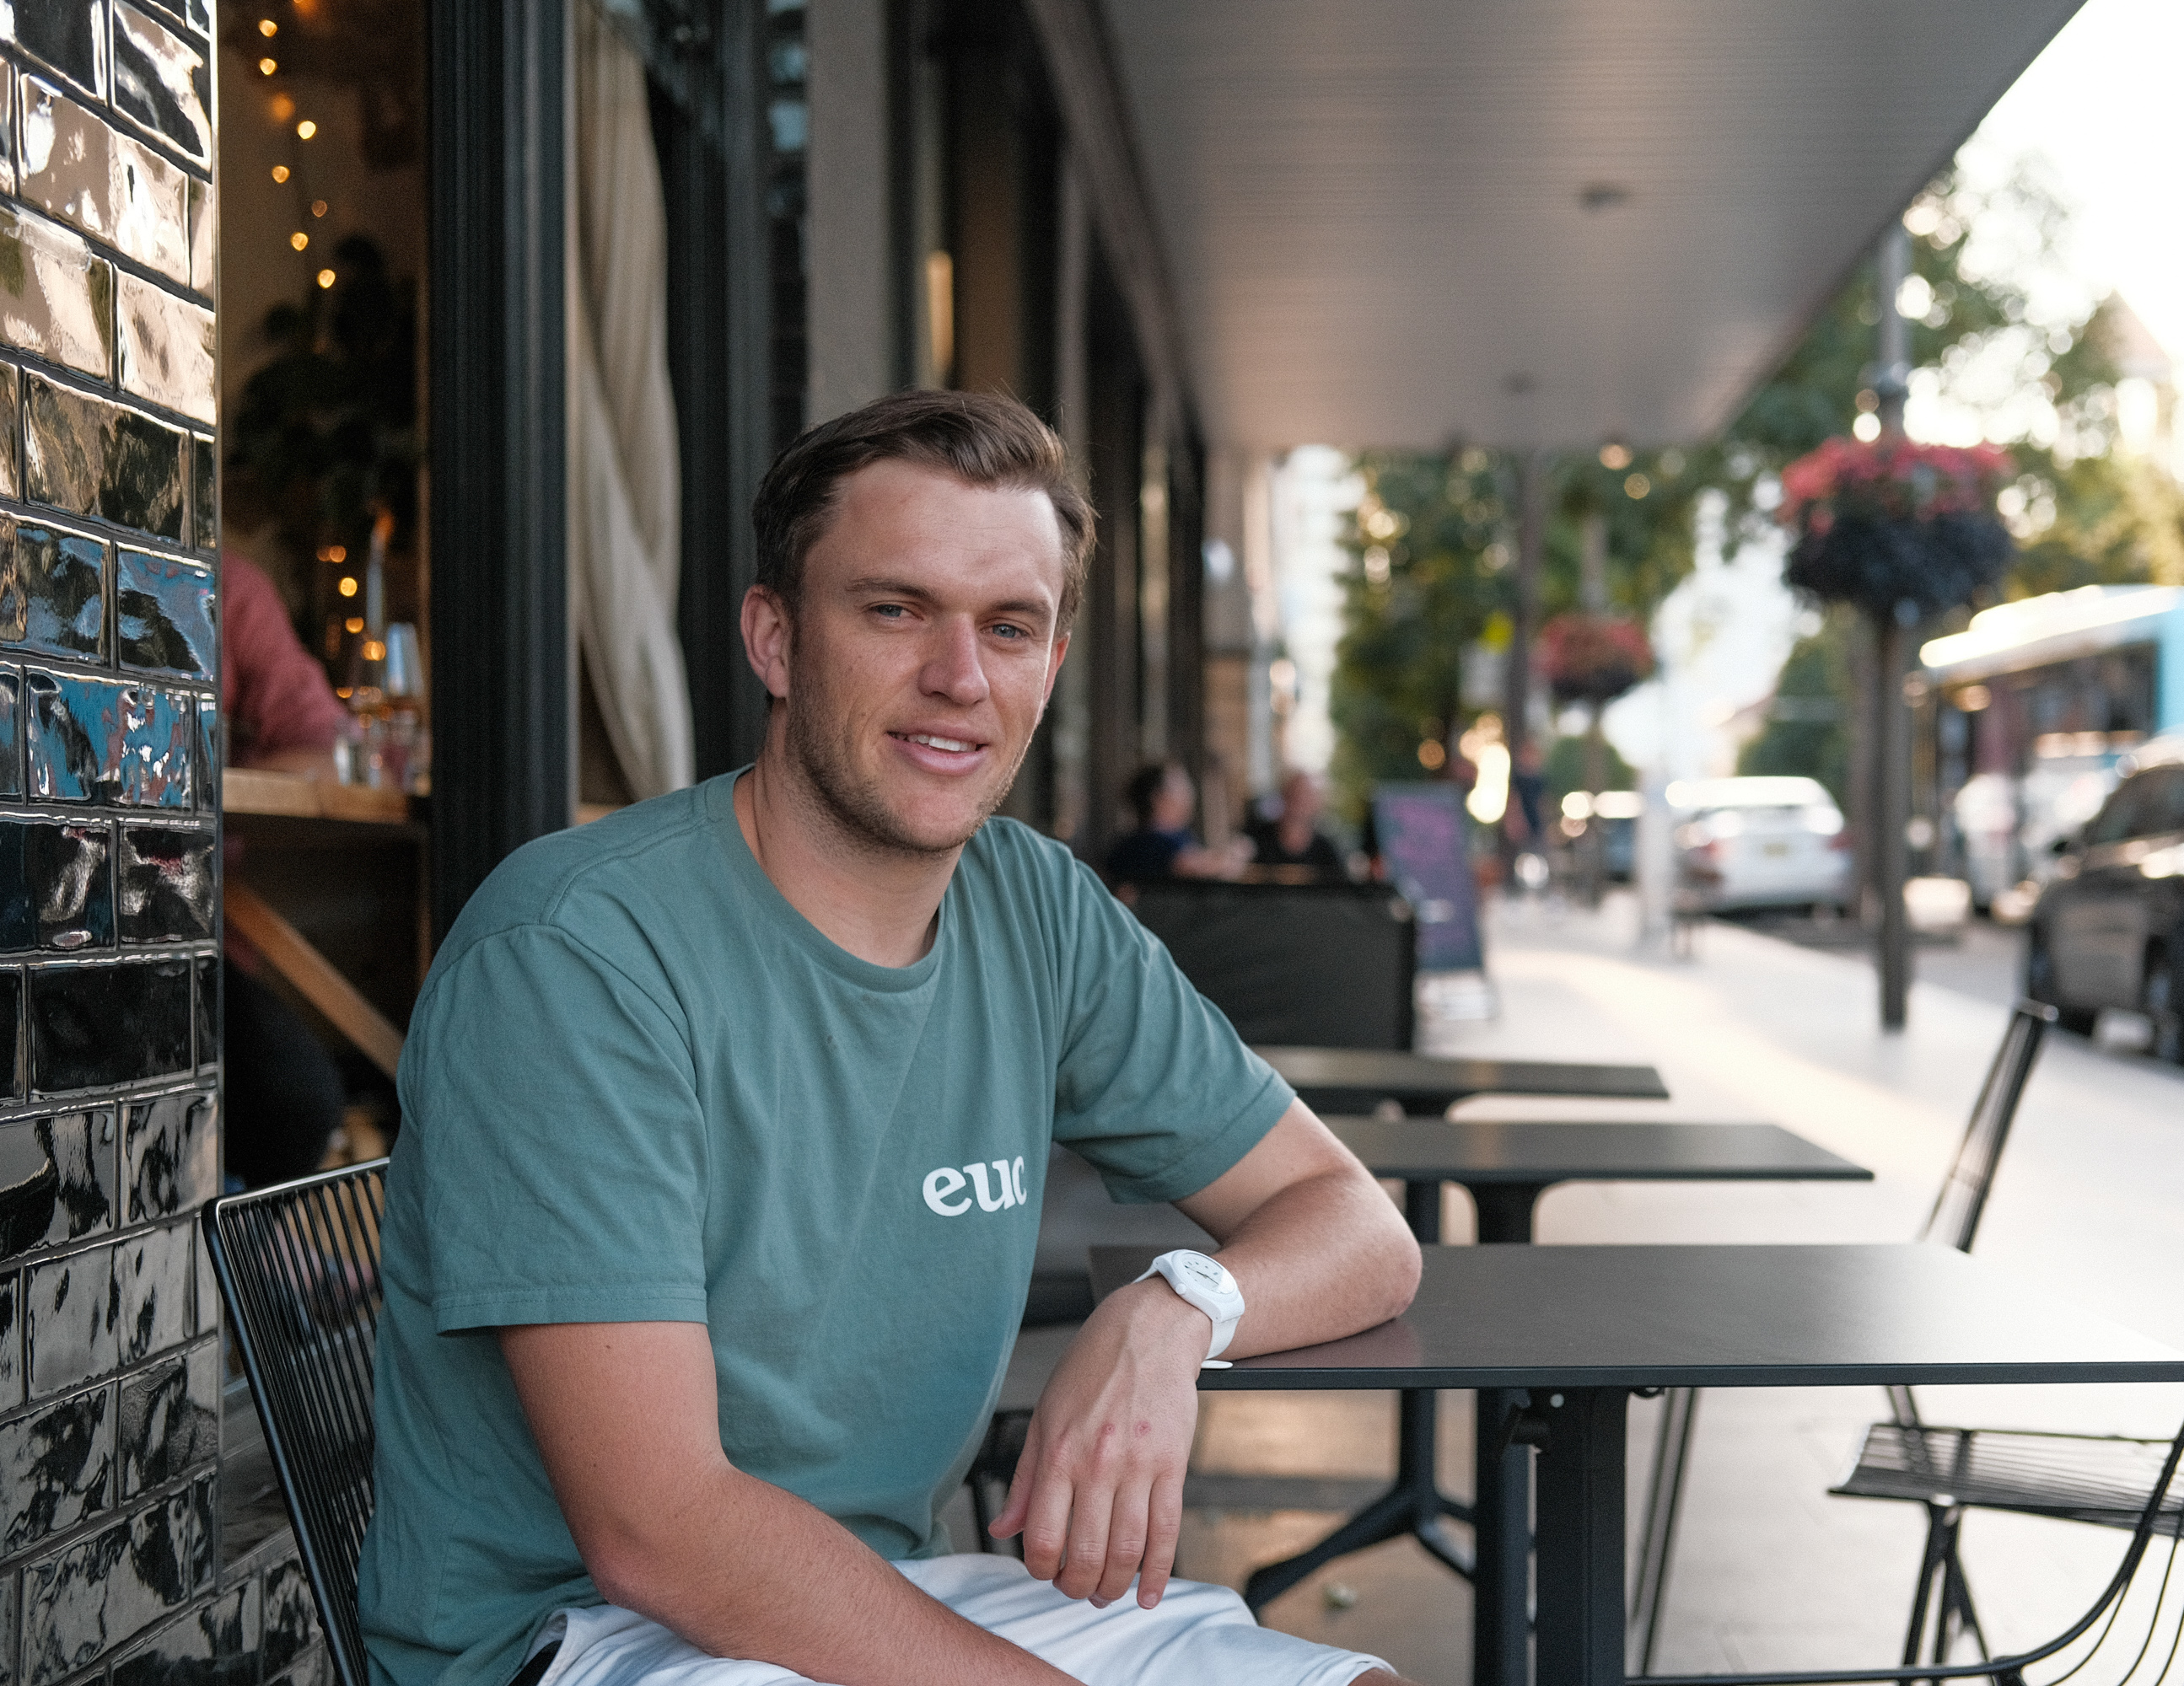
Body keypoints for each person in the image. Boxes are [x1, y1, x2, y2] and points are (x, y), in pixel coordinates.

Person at [360, 389, 1424, 1686]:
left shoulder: (1034, 909)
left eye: (1009, 627)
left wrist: (1180, 1309)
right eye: (895, 609)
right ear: (775, 638)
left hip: (883, 1590)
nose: (959, 678)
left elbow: (1357, 1225)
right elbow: (660, 1534)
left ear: (1050, 664)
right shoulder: (578, 956)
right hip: (588, 1637)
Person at [219, 553, 353, 1187]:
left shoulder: (225, 589)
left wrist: (191, 792)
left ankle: (256, 1259)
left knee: (295, 1099)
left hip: (198, 934)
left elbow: (330, 754)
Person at [1103, 760, 1253, 884]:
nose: (1189, 796)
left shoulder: (1179, 836)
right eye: (1181, 788)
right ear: (1157, 798)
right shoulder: (1147, 844)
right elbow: (1199, 868)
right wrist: (1237, 853)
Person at [1242, 770, 1346, 879]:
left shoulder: (1326, 851)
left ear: (1317, 804)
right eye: (1295, 795)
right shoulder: (1253, 840)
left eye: (1307, 797)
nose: (1299, 802)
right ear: (1284, 796)